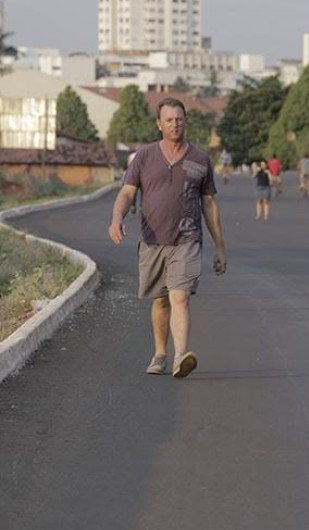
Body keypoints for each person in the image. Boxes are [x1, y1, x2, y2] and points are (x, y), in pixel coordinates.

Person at [108, 97, 227, 378]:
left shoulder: (200, 159)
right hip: (152, 240)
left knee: (180, 296)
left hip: (188, 238)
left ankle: (180, 356)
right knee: (161, 300)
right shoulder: (144, 156)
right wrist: (117, 218)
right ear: (159, 124)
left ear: (186, 122)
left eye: (179, 119)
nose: (175, 124)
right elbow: (127, 192)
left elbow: (209, 203)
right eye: (169, 120)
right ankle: (160, 354)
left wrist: (220, 246)